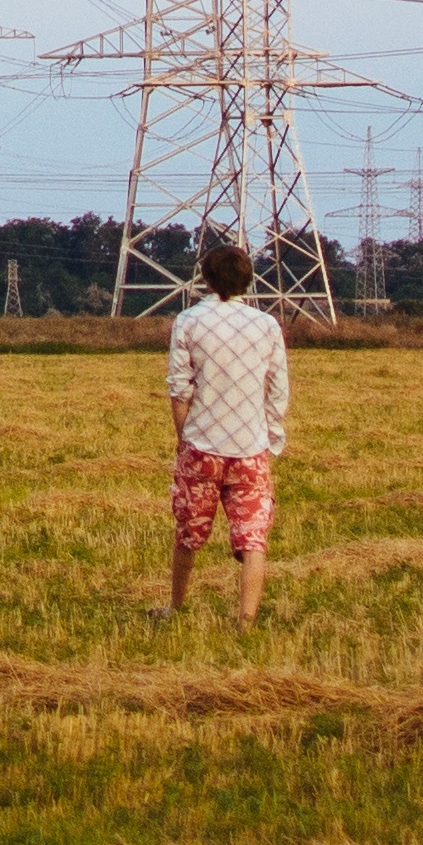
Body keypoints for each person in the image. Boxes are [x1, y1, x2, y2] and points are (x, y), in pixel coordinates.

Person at [163, 232, 289, 621]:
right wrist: (271, 438)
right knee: (254, 537)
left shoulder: (188, 321)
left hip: (202, 445)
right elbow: (278, 387)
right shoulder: (266, 325)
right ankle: (246, 620)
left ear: (207, 279)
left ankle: (177, 607)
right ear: (247, 279)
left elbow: (179, 389)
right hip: (251, 448)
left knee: (188, 531)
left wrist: (185, 437)